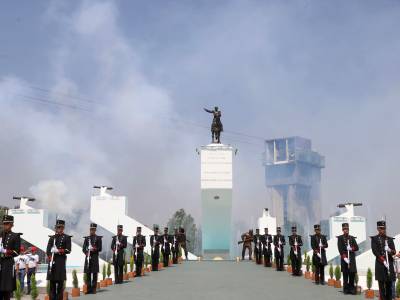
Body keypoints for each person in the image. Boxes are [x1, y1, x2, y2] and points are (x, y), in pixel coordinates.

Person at [46, 219, 71, 300]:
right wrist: (50, 256)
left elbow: (68, 250)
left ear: (63, 228)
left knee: (60, 285)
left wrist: (59, 250)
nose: (59, 229)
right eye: (57, 227)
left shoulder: (67, 237)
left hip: (60, 263)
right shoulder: (52, 238)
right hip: (52, 264)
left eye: (60, 227)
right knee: (52, 286)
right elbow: (47, 250)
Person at [371, 220, 396, 300]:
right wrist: (383, 261)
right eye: (381, 228)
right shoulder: (374, 239)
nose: (383, 230)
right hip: (380, 265)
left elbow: (394, 251)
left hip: (389, 265)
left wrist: (389, 250)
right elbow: (375, 251)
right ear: (378, 229)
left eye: (384, 228)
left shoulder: (390, 239)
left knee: (389, 287)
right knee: (381, 288)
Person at [0, 215, 21, 300]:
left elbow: (16, 252)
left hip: (8, 264)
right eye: (4, 223)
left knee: (6, 289)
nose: (5, 225)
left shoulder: (15, 236)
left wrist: (5, 251)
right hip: (0, 262)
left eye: (7, 224)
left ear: (12, 224)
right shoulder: (0, 235)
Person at [337, 222, 359, 295]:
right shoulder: (340, 238)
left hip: (352, 259)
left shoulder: (352, 238)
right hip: (344, 259)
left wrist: (351, 249)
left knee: (352, 275)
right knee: (345, 275)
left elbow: (357, 248)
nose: (346, 230)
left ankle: (352, 289)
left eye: (347, 229)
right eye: (344, 229)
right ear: (342, 230)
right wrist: (345, 258)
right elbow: (340, 249)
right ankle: (346, 289)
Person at [82, 223, 102, 294]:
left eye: (93, 229)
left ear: (95, 230)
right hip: (88, 257)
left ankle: (94, 289)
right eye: (91, 229)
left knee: (94, 273)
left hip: (94, 257)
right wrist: (86, 252)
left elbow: (100, 248)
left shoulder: (98, 238)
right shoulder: (87, 238)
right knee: (88, 273)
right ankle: (88, 289)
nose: (92, 231)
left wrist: (94, 249)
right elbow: (83, 248)